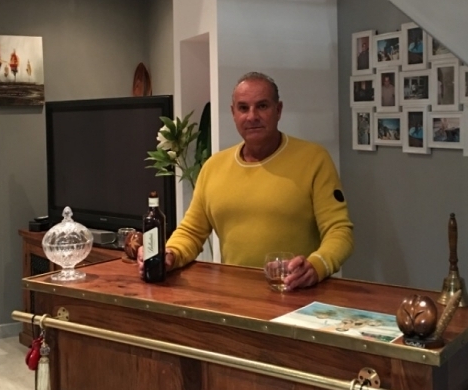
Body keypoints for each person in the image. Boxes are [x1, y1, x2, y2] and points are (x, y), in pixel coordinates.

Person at [138, 72, 354, 290]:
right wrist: (170, 254)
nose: (252, 116)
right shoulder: (214, 167)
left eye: (262, 106)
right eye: (243, 108)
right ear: (233, 113)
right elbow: (191, 232)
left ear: (278, 110)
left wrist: (316, 266)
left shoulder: (314, 159)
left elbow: (339, 231)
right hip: (234, 297)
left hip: (296, 293)